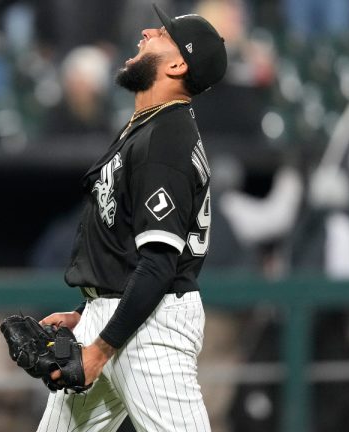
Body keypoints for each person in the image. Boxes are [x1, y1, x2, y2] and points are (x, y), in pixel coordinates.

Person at [34, 4, 227, 431]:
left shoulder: (167, 138)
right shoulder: (148, 127)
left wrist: (98, 349)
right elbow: (126, 247)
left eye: (161, 33)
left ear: (178, 64)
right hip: (120, 315)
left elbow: (159, 262)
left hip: (151, 328)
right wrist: (92, 313)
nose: (145, 31)